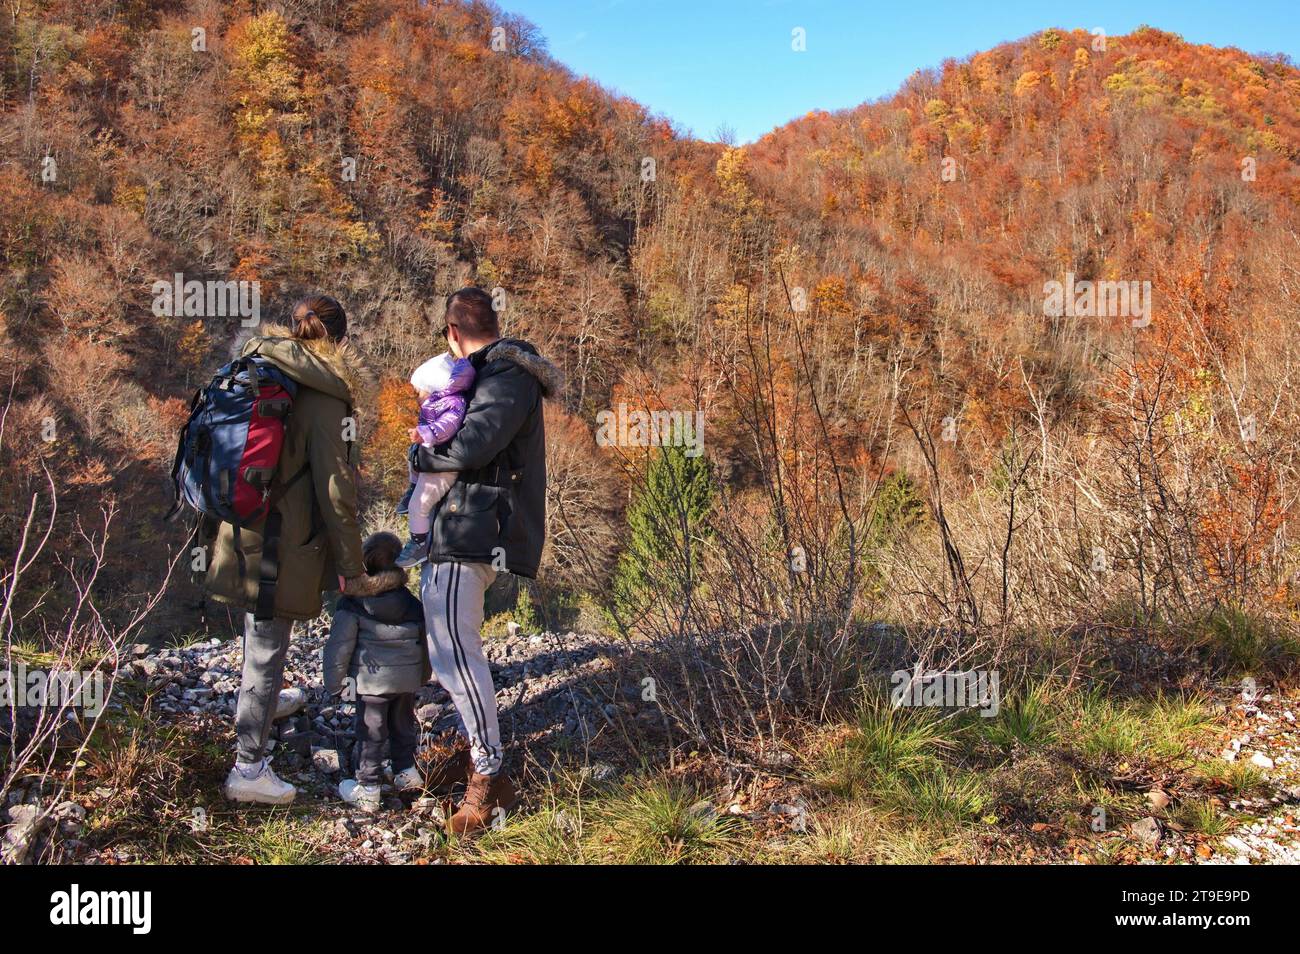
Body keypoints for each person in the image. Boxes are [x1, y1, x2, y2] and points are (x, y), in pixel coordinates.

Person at [206, 295, 387, 805]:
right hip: (280, 539)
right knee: (268, 641)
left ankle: (263, 705)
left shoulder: (260, 364)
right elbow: (336, 489)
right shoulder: (325, 394)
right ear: (339, 341)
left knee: (260, 634)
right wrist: (353, 568)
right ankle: (248, 767)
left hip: (240, 525)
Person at [409, 286, 562, 834]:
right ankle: (478, 754)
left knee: (453, 648)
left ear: (452, 333)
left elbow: (472, 445)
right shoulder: (496, 373)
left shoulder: (507, 375)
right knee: (447, 645)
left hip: (476, 526)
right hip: (466, 523)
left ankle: (490, 775)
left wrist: (419, 451)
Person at [322, 532, 428, 811]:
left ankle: (368, 788)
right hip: (406, 681)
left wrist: (334, 684)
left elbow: (339, 647)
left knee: (371, 732)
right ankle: (406, 773)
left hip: (371, 684)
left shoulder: (353, 603)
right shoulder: (411, 602)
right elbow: (425, 640)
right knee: (403, 725)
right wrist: (422, 676)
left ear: (365, 563)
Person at [394, 351, 476, 568]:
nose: (417, 395)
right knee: (412, 457)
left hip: (442, 467)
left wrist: (427, 433)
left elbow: (447, 425)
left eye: (419, 390)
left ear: (431, 388)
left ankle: (419, 543)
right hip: (432, 461)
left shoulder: (451, 402)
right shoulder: (439, 402)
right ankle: (412, 487)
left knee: (418, 506)